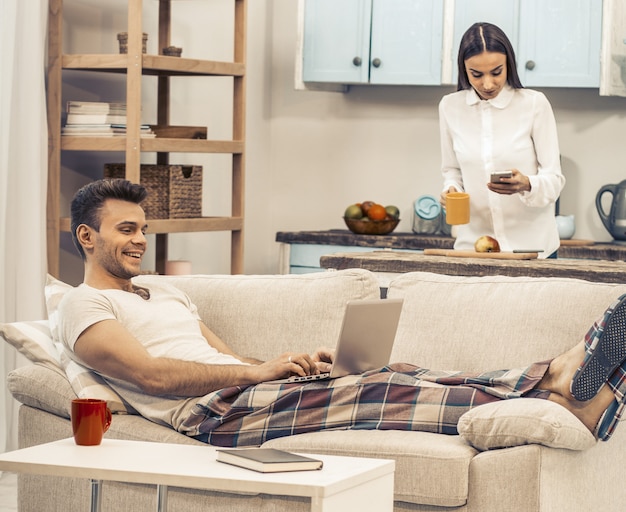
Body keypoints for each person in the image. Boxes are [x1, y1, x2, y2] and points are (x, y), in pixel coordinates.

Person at [59, 179, 624, 447]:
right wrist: (255, 374)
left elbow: (226, 359)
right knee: (379, 393)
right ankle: (562, 385)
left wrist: (290, 364)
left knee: (391, 374)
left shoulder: (164, 292)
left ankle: (557, 381)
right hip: (208, 415)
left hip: (242, 392)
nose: (139, 241)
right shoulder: (83, 304)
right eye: (125, 230)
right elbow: (151, 376)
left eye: (142, 229)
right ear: (87, 237)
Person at [439, 22, 565, 258]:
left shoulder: (534, 104)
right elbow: (451, 170)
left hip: (533, 250)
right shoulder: (450, 107)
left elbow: (555, 180)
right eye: (476, 74)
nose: (487, 84)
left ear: (509, 65)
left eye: (496, 72)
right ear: (464, 70)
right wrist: (450, 189)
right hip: (474, 249)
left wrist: (527, 184)